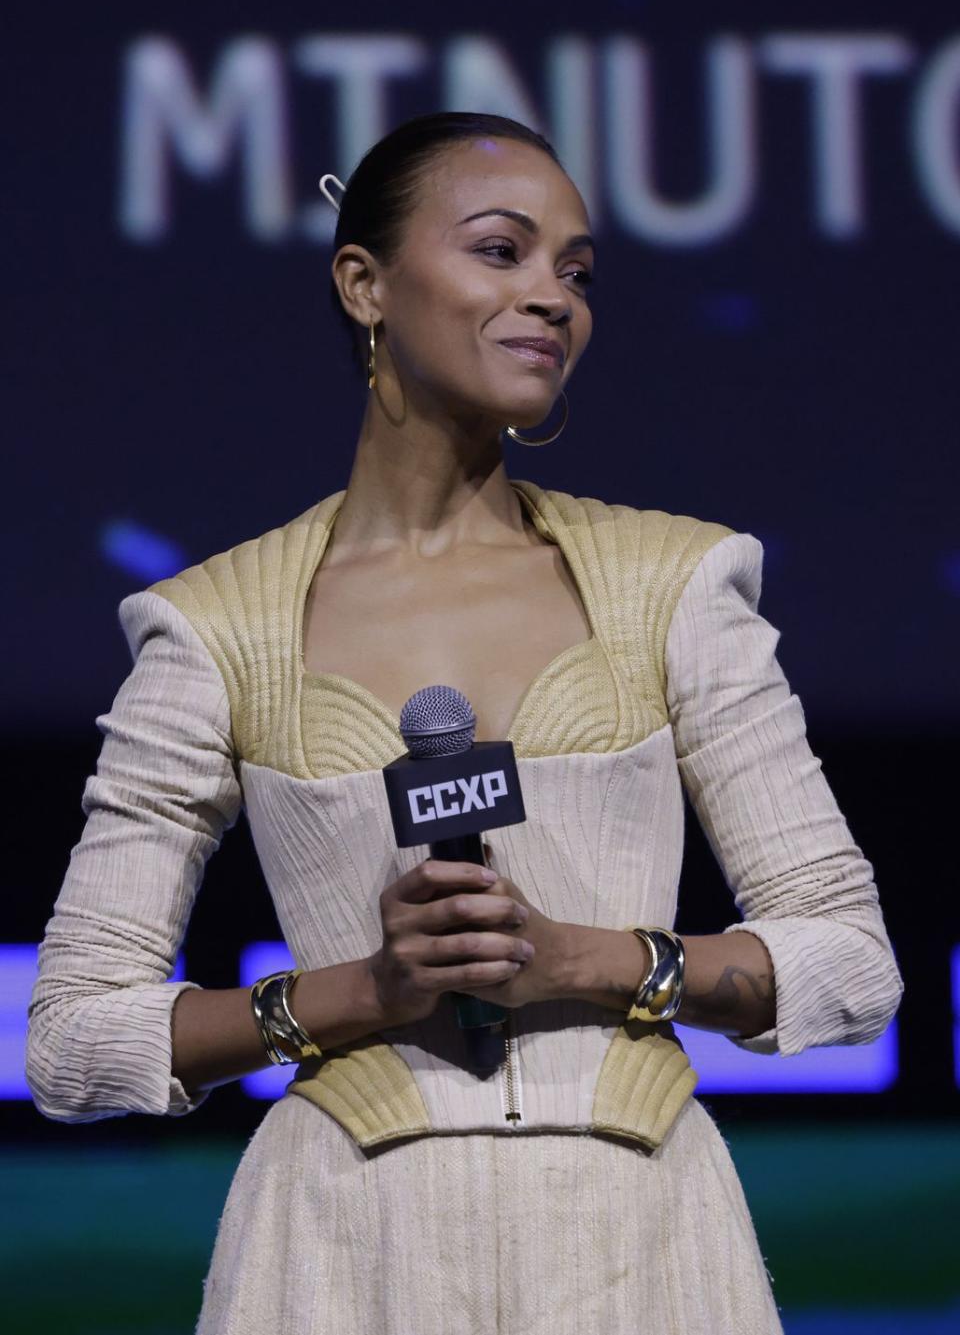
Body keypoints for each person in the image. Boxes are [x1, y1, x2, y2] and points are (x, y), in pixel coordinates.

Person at [26, 112, 903, 1334]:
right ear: (364, 283)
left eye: (578, 272)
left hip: (639, 1244)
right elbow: (70, 1042)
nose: (553, 297)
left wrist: (597, 960)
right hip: (340, 1255)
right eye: (504, 251)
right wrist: (360, 991)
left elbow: (854, 964)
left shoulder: (676, 584)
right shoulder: (214, 624)